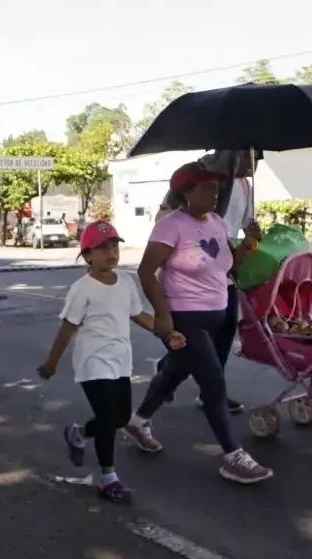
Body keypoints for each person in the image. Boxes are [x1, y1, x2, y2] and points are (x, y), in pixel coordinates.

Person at [125, 162, 273, 484]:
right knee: (213, 382)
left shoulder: (217, 222)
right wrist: (163, 315)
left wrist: (249, 243)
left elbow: (230, 266)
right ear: (187, 192)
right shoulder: (171, 226)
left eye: (216, 186)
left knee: (172, 375)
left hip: (216, 314)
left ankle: (138, 421)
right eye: (207, 187)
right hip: (184, 317)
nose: (215, 191)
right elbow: (145, 271)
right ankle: (233, 456)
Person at [37, 222, 185, 503]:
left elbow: (138, 315)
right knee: (107, 418)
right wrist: (51, 363)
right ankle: (108, 477)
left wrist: (167, 334)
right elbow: (67, 328)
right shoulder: (82, 289)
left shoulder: (126, 283)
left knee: (119, 417)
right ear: (88, 255)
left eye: (114, 246)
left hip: (120, 360)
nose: (110, 252)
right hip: (92, 362)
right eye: (102, 248)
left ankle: (77, 433)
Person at [154, 150, 257, 413]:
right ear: (233, 157)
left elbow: (244, 227)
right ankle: (169, 380)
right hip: (190, 280)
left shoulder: (245, 187)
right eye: (247, 159)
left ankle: (209, 391)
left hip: (223, 269)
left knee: (223, 333)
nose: (253, 165)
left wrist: (252, 238)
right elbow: (166, 221)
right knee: (196, 341)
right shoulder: (202, 180)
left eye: (256, 161)